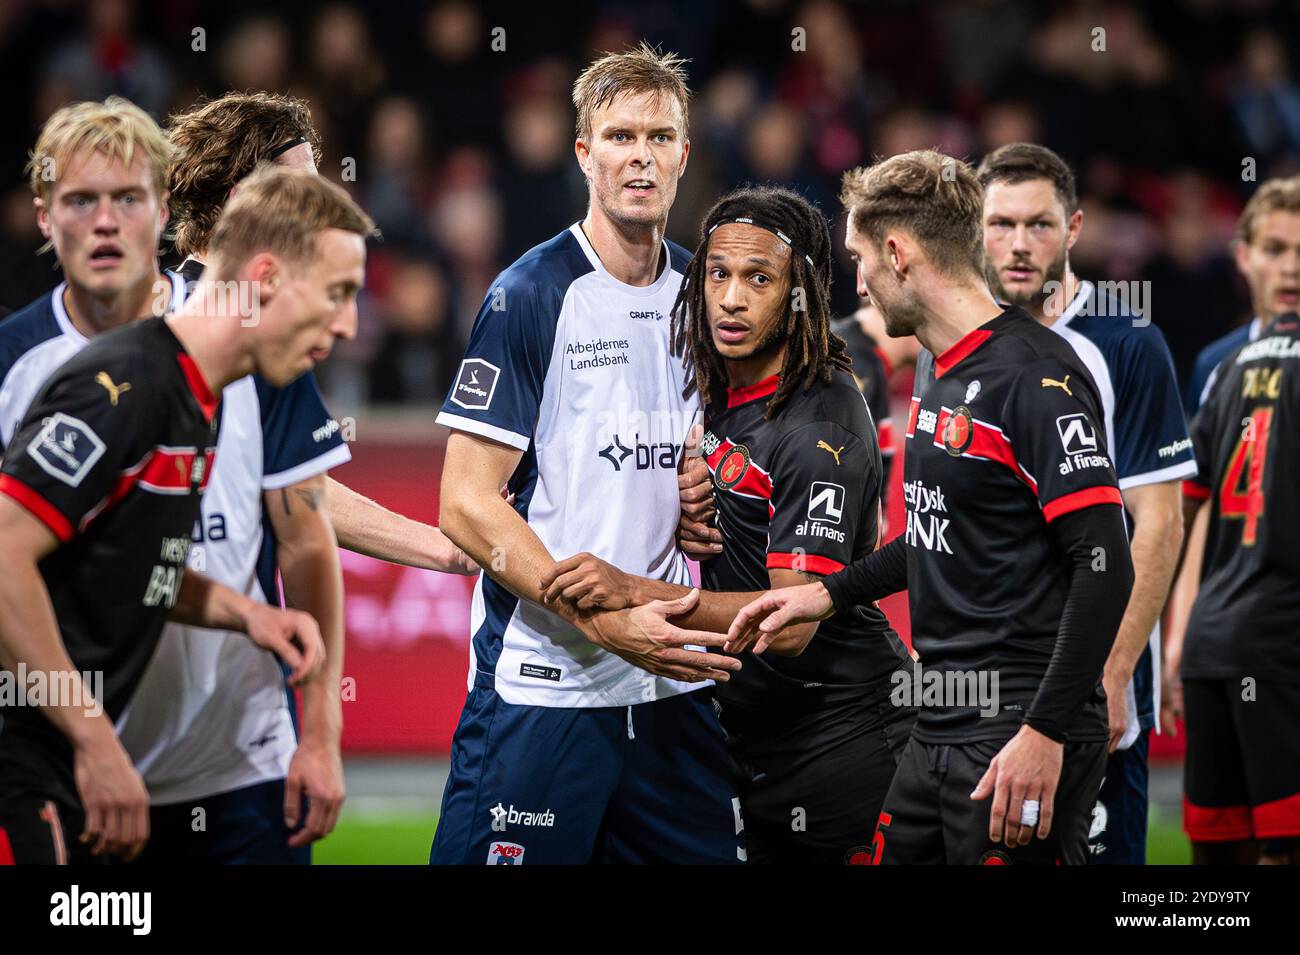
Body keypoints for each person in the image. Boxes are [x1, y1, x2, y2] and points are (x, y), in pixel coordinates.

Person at [724, 150, 1135, 864]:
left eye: (860, 258)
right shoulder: (936, 365)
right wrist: (823, 595)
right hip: (936, 723)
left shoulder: (1035, 375)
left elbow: (1106, 563)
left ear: (897, 252)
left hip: (1018, 728)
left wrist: (1043, 731)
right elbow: (935, 537)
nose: (859, 281)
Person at [0, 164, 372, 864]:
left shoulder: (198, 391)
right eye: (337, 293)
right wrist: (94, 741)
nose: (349, 323)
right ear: (264, 278)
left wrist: (246, 613)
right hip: (41, 775)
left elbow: (123, 568)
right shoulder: (122, 386)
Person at [429, 43, 743, 865]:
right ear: (584, 155)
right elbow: (465, 502)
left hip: (671, 682)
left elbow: (710, 450)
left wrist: (706, 483)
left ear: (684, 153)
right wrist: (604, 621)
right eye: (618, 136)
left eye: (659, 136)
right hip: (546, 685)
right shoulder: (530, 294)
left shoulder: (704, 297)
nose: (639, 155)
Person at [542, 185, 914, 864]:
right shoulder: (717, 383)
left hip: (843, 741)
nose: (731, 298)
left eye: (759, 278)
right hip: (747, 744)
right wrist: (688, 498)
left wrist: (631, 590)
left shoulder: (819, 421)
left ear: (800, 291)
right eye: (717, 274)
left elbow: (791, 623)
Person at [976, 143, 1195, 864]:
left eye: (1038, 225)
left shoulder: (1127, 343)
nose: (1017, 244)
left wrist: (1113, 670)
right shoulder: (956, 344)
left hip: (1094, 681)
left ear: (1073, 230)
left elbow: (1159, 521)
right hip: (989, 686)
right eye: (1000, 224)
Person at [1178, 175, 1300, 866]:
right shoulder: (1214, 364)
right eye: (1277, 248)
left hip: (1229, 636)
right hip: (1251, 633)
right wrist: (1174, 643)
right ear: (1243, 255)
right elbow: (1204, 515)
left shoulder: (1225, 370)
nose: (1292, 268)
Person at [0, 98, 185, 452]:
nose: (105, 223)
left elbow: (309, 492)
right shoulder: (8, 358)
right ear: (44, 218)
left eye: (128, 199)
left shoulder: (237, 332)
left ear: (162, 211)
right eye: (81, 201)